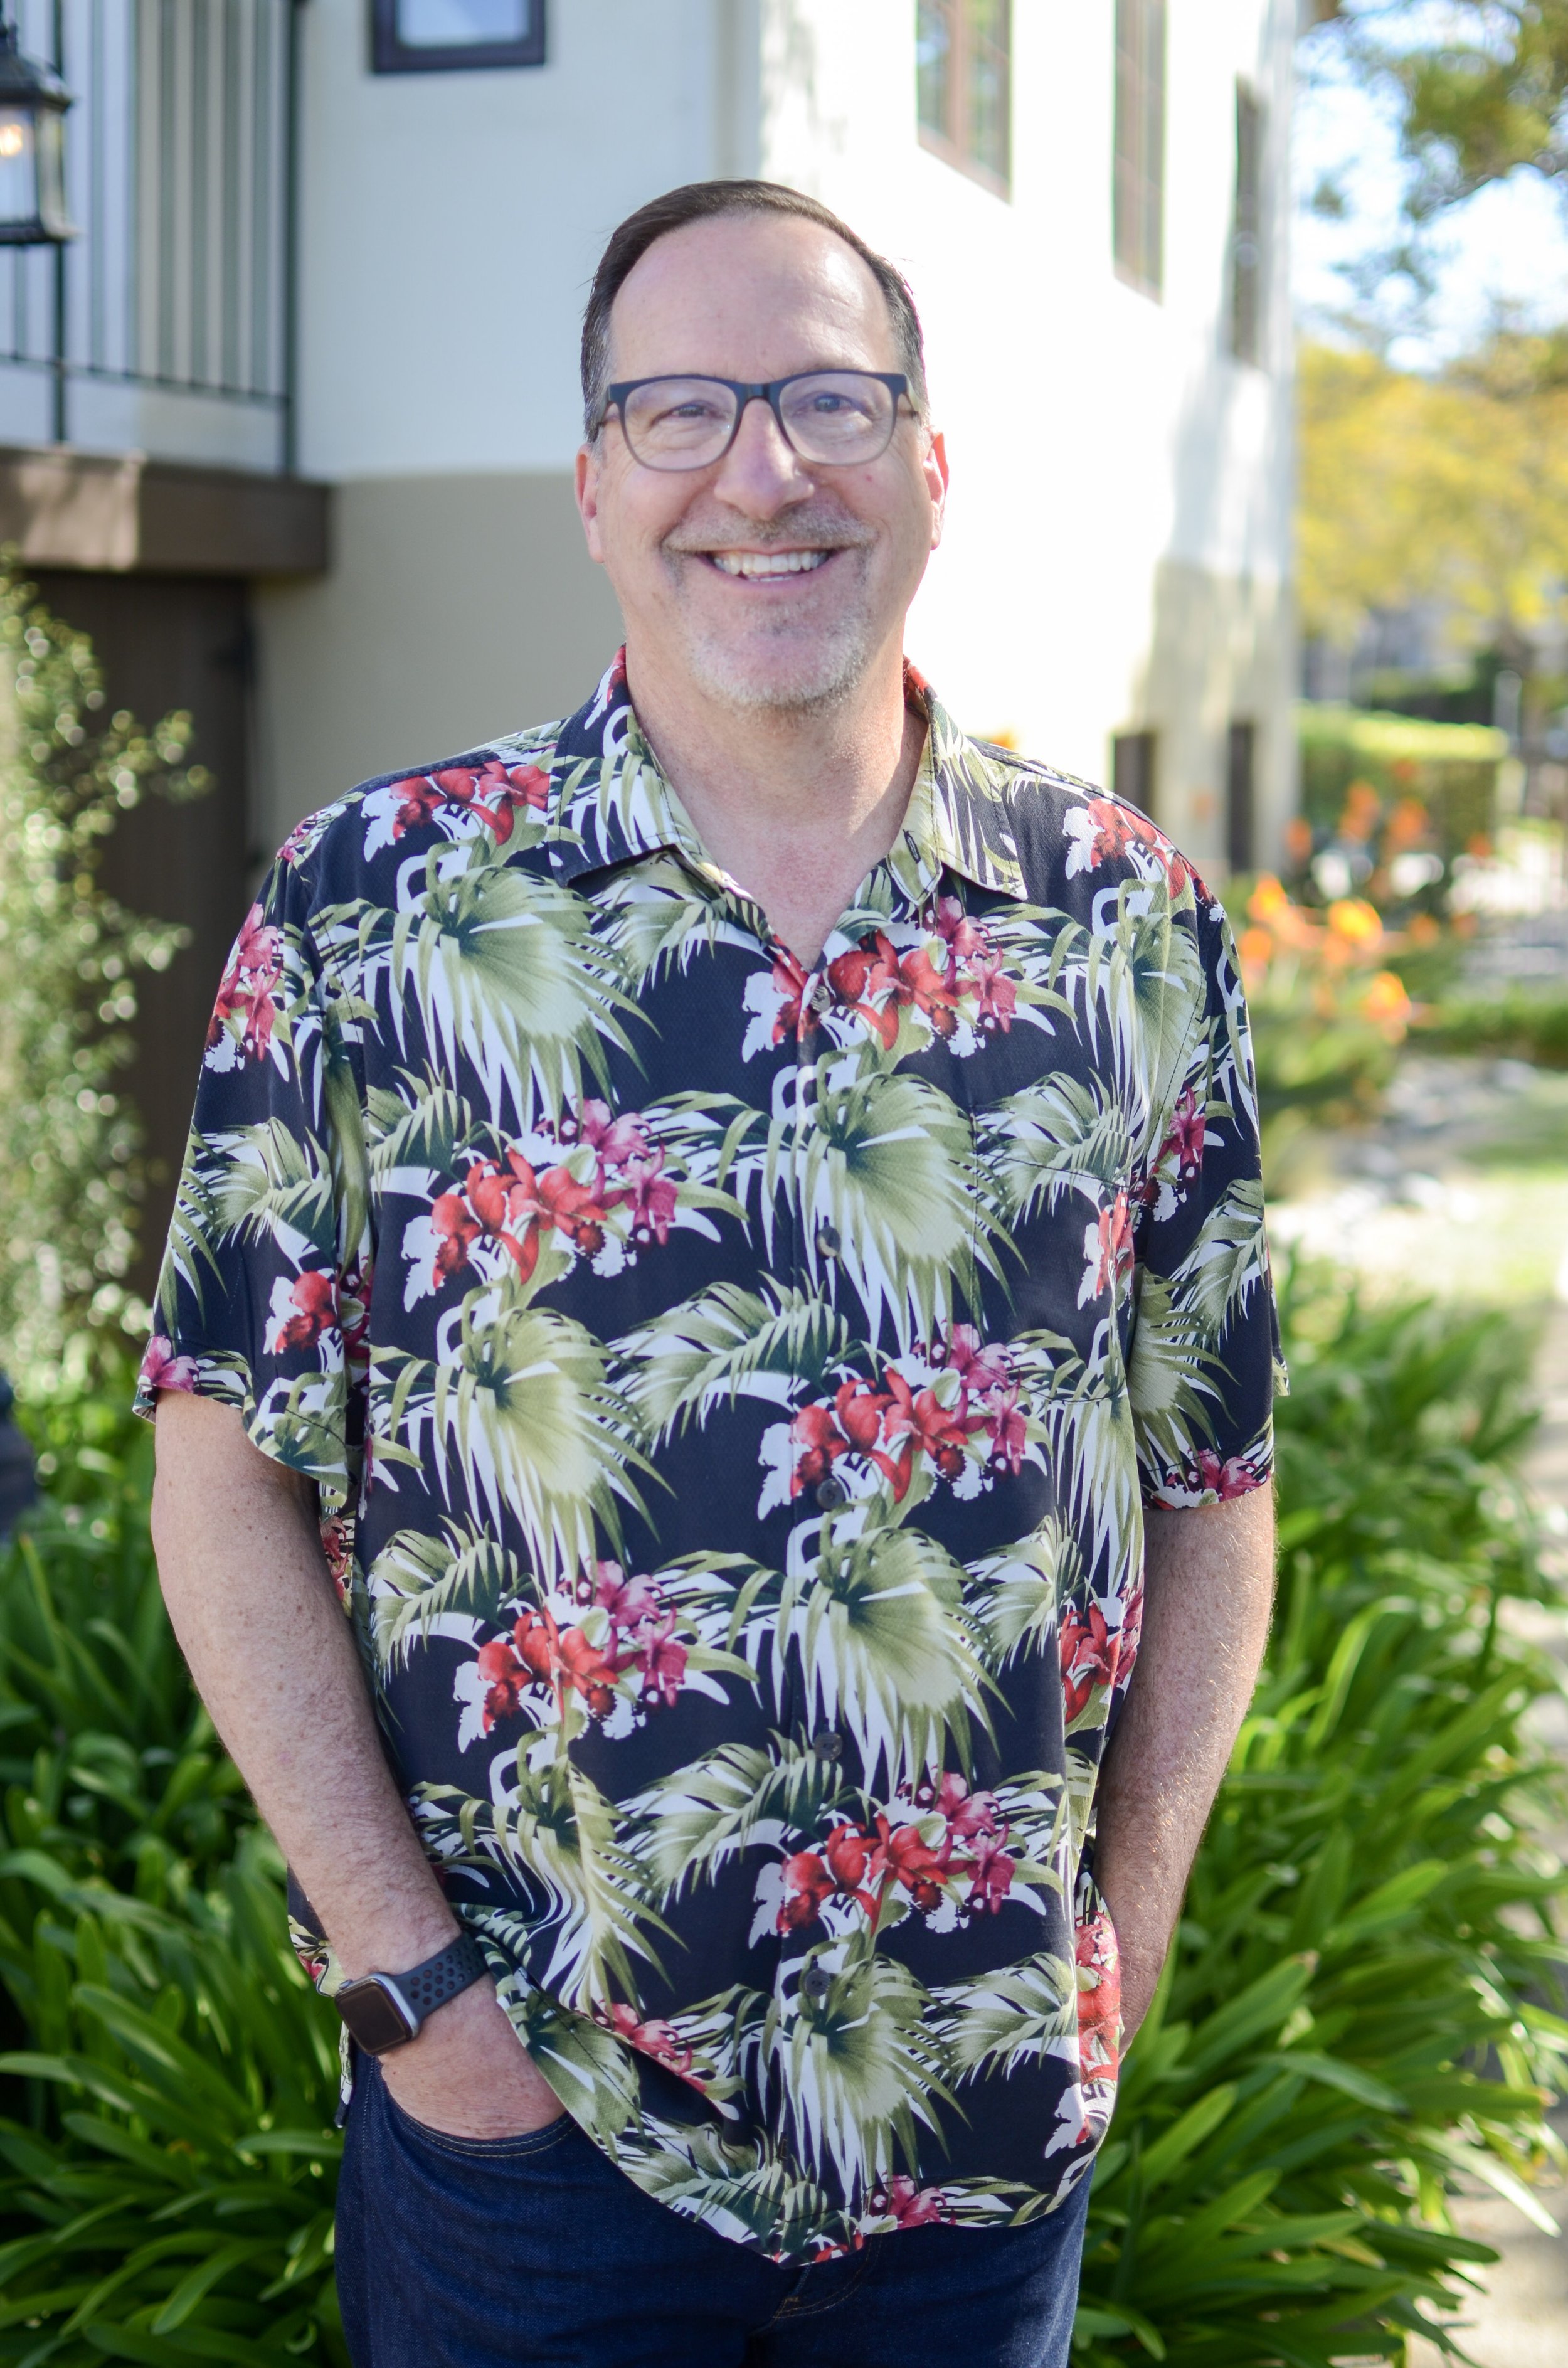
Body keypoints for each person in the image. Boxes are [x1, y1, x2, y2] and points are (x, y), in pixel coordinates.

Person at [144, 180, 1279, 2368]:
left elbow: (1210, 1481)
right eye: (679, 413)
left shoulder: (1122, 920)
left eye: (830, 401)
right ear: (593, 489)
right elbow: (222, 1480)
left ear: (928, 468)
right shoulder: (373, 913)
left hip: (977, 2145)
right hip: (533, 2138)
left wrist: (1120, 1921)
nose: (763, 471)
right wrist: (416, 2006)